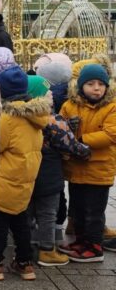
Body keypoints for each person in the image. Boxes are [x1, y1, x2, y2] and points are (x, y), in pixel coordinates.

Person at [0, 67, 47, 281]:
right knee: (21, 224)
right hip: (24, 182)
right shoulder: (36, 118)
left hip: (4, 182)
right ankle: (25, 264)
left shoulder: (7, 118)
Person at [26, 75, 91, 267]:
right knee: (47, 213)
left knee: (26, 212)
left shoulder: (17, 118)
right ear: (37, 96)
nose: (52, 95)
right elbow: (71, 146)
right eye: (47, 93)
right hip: (49, 176)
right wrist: (86, 151)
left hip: (27, 175)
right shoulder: (53, 120)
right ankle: (47, 251)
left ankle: (25, 249)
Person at [59, 63, 116, 261]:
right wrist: (68, 130)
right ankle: (81, 241)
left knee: (94, 212)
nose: (96, 88)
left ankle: (94, 246)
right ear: (81, 85)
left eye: (101, 84)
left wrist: (82, 140)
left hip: (99, 170)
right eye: (90, 83)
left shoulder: (111, 106)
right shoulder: (70, 105)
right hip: (77, 168)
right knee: (79, 209)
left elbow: (111, 133)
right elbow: (61, 127)